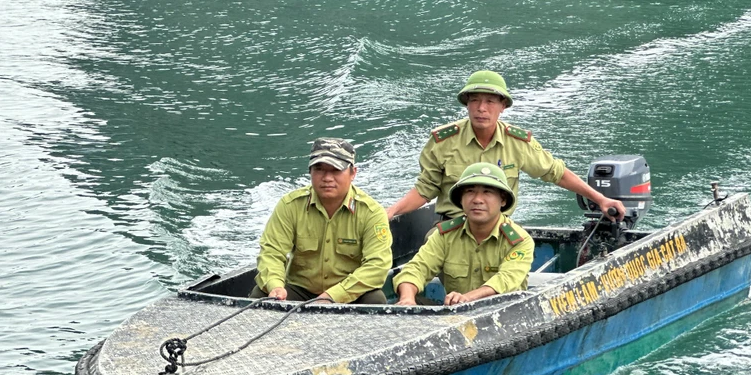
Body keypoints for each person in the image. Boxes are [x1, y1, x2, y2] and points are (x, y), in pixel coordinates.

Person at [385, 70, 626, 222]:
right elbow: (425, 189)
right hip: (452, 226)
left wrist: (600, 198)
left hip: (499, 228)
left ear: (503, 107)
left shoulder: (517, 143)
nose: (482, 108)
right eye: (475, 101)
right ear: (466, 105)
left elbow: (556, 173)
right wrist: (391, 211)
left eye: (490, 101)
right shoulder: (443, 142)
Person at [251, 138, 392, 304]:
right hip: (300, 290)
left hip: (348, 292)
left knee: (375, 300)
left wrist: (333, 296)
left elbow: (377, 265)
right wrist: (275, 286)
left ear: (353, 173)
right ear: (310, 171)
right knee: (260, 295)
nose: (327, 178)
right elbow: (271, 252)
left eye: (336, 170)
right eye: (319, 169)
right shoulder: (290, 205)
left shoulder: (371, 212)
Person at [393, 163, 535, 306]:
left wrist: (467, 298)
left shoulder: (519, 240)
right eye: (470, 191)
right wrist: (407, 298)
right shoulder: (445, 235)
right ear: (461, 199)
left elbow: (506, 280)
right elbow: (417, 268)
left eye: (487, 192)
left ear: (503, 200)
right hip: (456, 316)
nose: (477, 199)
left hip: (506, 315)